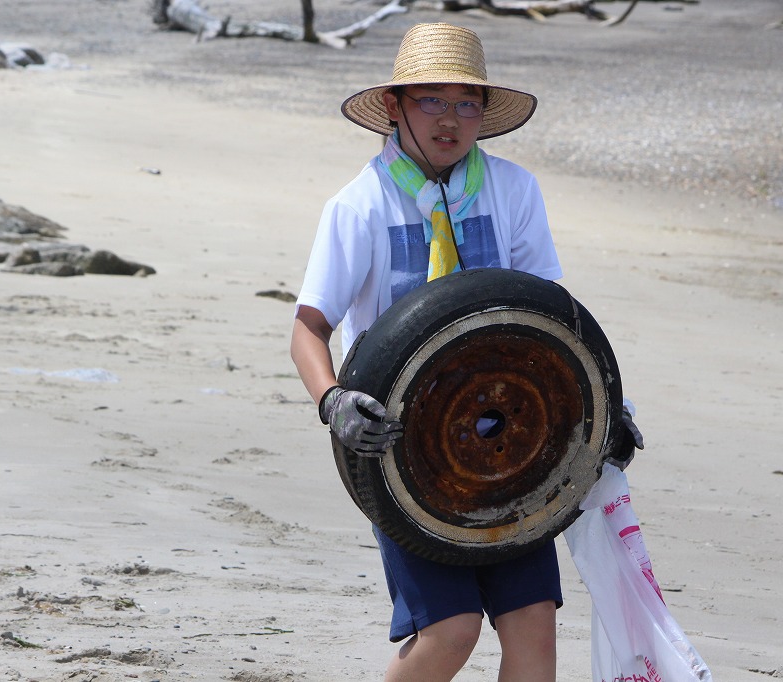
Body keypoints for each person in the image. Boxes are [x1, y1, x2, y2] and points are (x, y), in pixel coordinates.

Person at [290, 22, 641, 681]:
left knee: (535, 628)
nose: (451, 120)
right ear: (395, 106)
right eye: (432, 101)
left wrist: (604, 410)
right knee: (450, 633)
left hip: (514, 450)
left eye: (467, 103)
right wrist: (333, 400)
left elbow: (552, 319)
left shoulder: (513, 191)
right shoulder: (359, 206)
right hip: (400, 452)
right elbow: (308, 328)